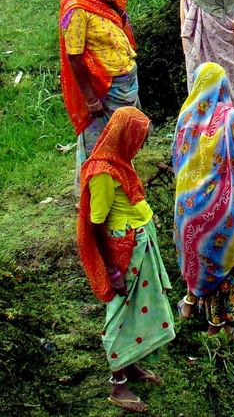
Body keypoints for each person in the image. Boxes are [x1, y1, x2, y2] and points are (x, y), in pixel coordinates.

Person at [76, 106, 174, 413]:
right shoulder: (103, 174)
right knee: (121, 312)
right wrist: (111, 269)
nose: (141, 144)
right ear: (125, 136)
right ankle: (117, 385)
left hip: (138, 243)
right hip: (125, 250)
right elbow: (96, 223)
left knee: (138, 307)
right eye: (139, 137)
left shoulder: (119, 162)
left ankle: (131, 366)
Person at [173, 63, 234, 340]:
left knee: (197, 258)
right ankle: (217, 327)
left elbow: (179, 162)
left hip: (187, 209)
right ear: (224, 86)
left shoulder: (185, 118)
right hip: (222, 212)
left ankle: (190, 304)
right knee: (223, 264)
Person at [60, 0, 140, 184]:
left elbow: (121, 26)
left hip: (124, 80)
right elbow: (74, 56)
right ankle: (97, 191)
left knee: (121, 136)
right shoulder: (76, 9)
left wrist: (115, 7)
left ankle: (121, 179)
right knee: (101, 143)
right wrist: (91, 98)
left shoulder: (98, 0)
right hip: (104, 88)